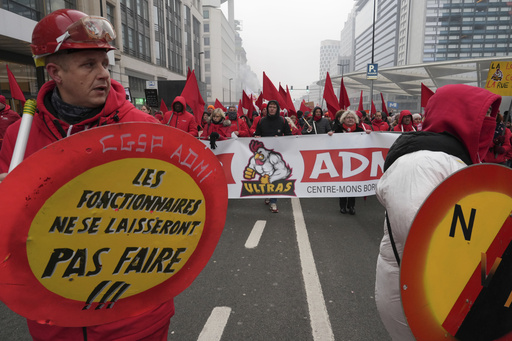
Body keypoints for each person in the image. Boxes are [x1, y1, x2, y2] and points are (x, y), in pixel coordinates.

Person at [0, 9, 175, 340]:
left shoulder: (143, 130)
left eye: (104, 64)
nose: (104, 75)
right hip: (54, 318)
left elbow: (173, 213)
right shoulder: (18, 137)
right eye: (88, 65)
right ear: (55, 72)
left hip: (132, 318)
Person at [375, 84, 500, 341]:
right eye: (484, 113)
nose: (491, 122)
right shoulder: (419, 162)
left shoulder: (453, 159)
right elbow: (416, 230)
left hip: (446, 290)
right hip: (419, 293)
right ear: (461, 113)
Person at [254, 100, 291, 213]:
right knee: (266, 175)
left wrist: (280, 139)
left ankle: (273, 201)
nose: (272, 109)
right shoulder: (262, 121)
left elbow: (289, 136)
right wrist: (257, 136)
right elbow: (256, 134)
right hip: (264, 155)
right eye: (270, 107)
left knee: (275, 176)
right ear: (267, 108)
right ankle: (268, 195)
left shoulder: (283, 121)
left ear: (277, 108)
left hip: (277, 154)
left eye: (274, 107)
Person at [333, 110, 365, 215]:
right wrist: (330, 136)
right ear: (343, 119)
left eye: (352, 117)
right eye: (348, 117)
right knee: (343, 182)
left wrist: (368, 135)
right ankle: (342, 205)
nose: (350, 119)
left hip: (356, 161)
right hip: (342, 160)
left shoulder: (360, 131)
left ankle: (351, 205)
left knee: (353, 183)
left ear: (355, 120)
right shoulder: (337, 130)